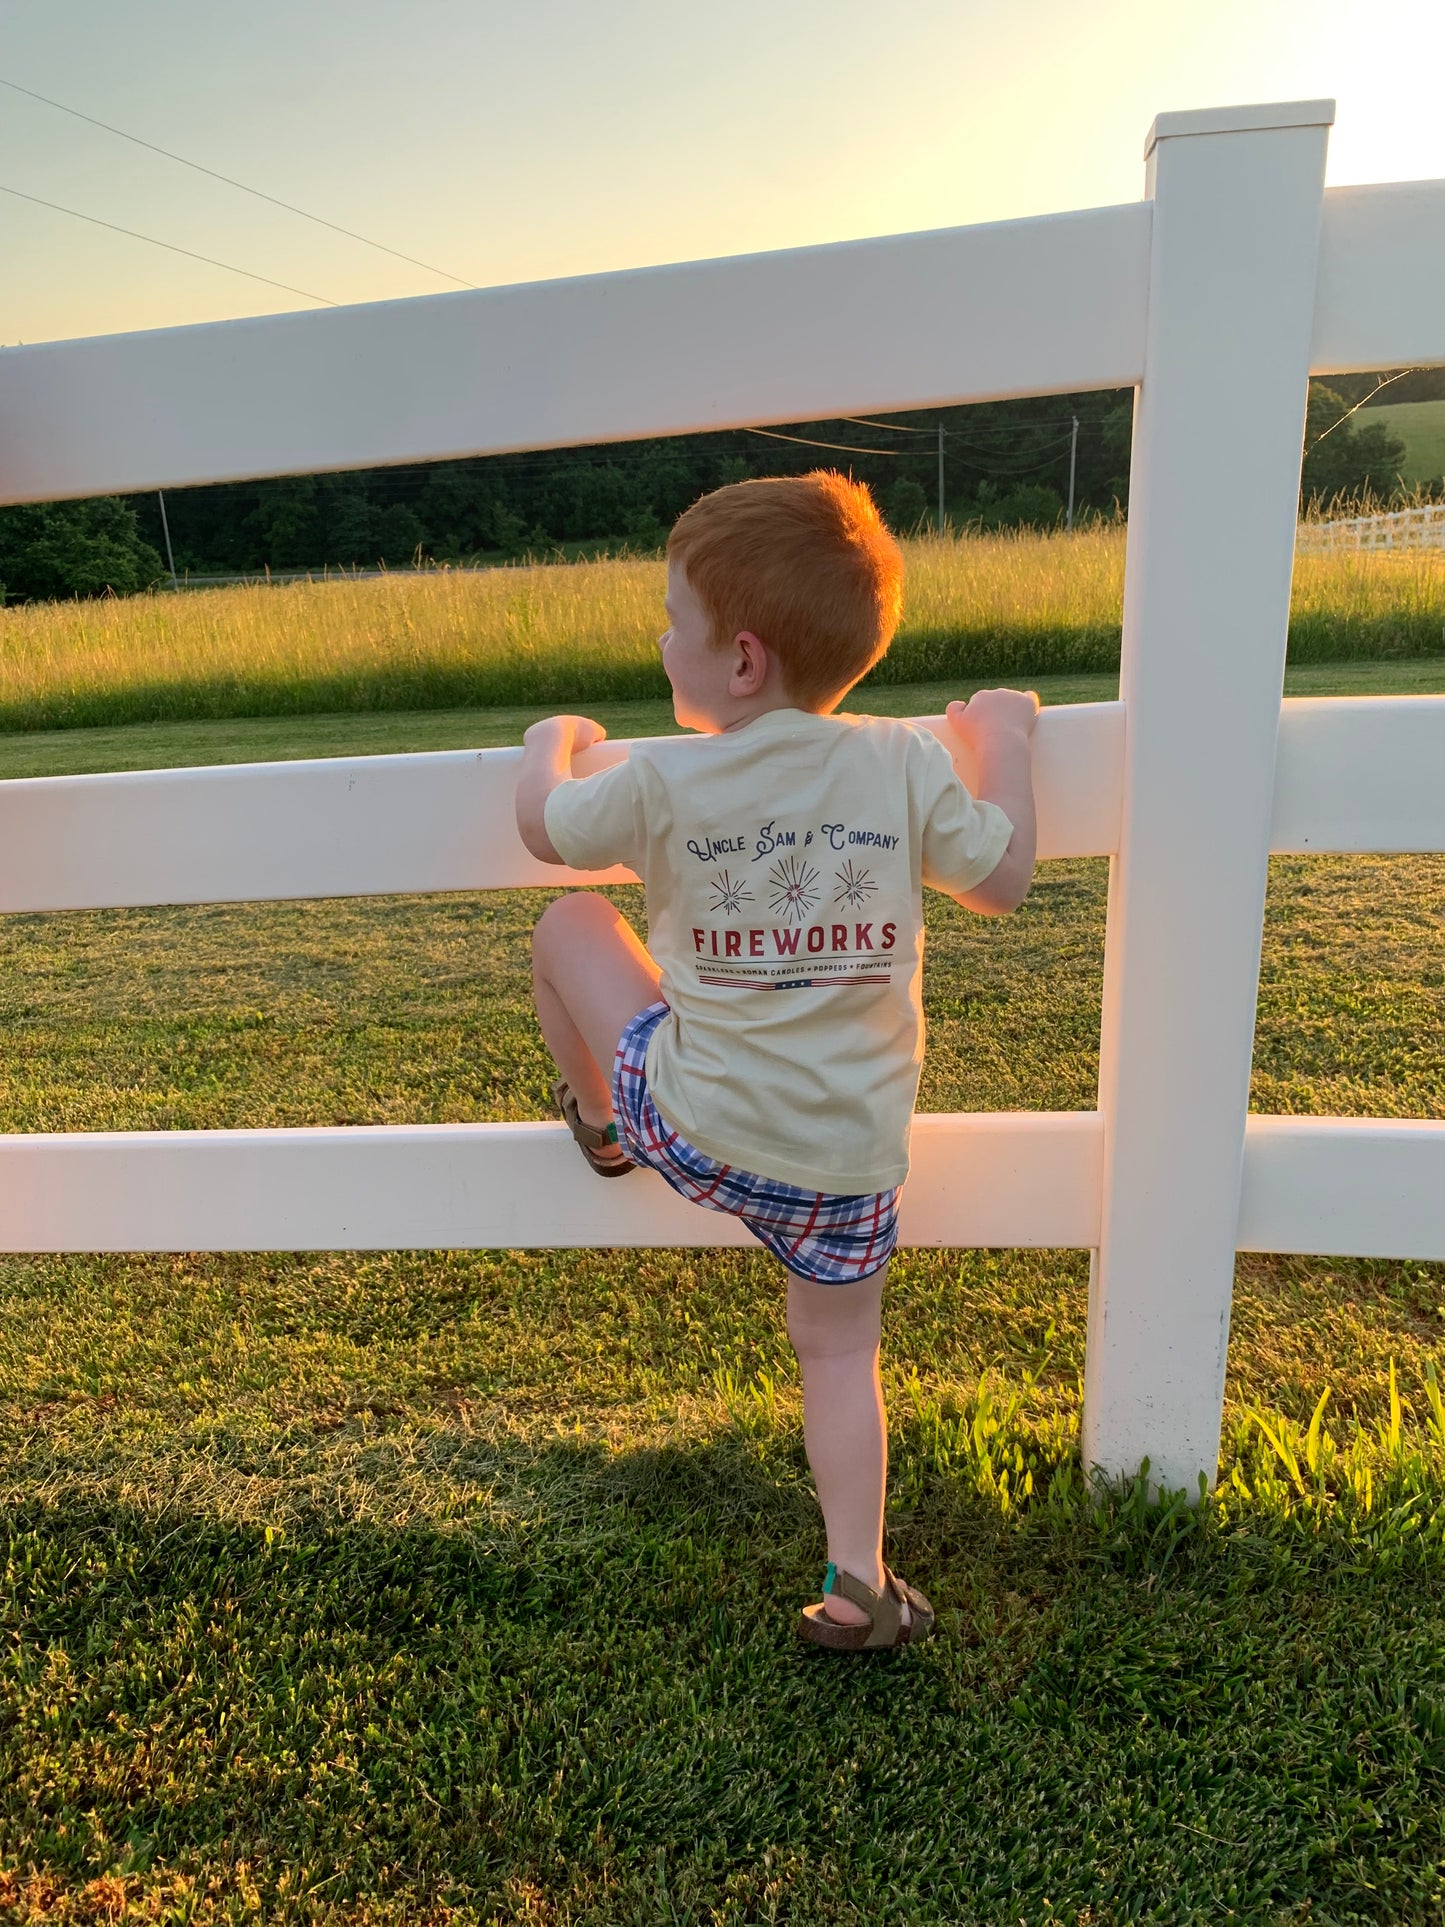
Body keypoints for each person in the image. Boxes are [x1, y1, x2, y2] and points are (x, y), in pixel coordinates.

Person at [515, 471, 1038, 1651]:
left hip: (696, 1122)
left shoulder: (665, 778)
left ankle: (600, 1125)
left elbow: (542, 833)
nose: (660, 641)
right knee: (840, 1354)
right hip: (847, 1166)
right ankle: (857, 1576)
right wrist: (999, 737)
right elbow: (1000, 877)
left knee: (564, 930)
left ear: (739, 661)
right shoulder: (901, 766)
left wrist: (551, 743)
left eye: (671, 622)